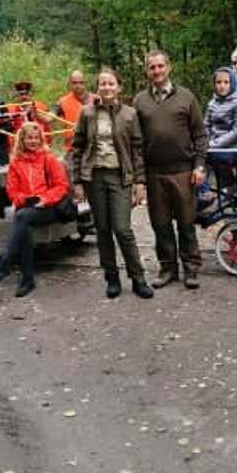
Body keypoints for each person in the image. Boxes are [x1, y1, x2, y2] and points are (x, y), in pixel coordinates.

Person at [70, 67, 154, 300]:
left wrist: (140, 181)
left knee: (122, 229)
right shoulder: (87, 114)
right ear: (97, 88)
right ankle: (112, 278)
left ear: (119, 87)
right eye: (102, 84)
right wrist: (76, 181)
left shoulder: (129, 114)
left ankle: (138, 278)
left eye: (110, 83)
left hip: (121, 177)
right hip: (94, 177)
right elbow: (77, 148)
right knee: (103, 230)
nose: (106, 87)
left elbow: (137, 149)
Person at [133, 50, 209, 289]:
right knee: (160, 224)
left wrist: (199, 165)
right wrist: (139, 179)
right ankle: (168, 269)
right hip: (154, 172)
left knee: (186, 223)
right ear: (147, 71)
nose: (156, 71)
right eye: (152, 67)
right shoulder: (139, 101)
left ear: (169, 67)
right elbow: (135, 143)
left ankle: (191, 269)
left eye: (160, 66)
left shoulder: (186, 97)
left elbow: (200, 135)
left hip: (183, 171)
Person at [0, 122, 71, 298]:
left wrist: (45, 199)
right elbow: (12, 191)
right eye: (29, 138)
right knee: (23, 221)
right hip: (27, 207)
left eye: (36, 138)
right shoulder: (16, 163)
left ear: (40, 139)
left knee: (21, 217)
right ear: (22, 140)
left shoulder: (48, 159)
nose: (33, 141)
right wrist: (25, 199)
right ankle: (27, 280)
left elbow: (61, 186)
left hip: (50, 207)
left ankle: (6, 263)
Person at [198, 66, 237, 208]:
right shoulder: (212, 104)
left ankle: (230, 186)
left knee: (217, 156)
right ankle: (203, 191)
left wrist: (214, 144)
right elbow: (206, 125)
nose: (222, 86)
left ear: (232, 83)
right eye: (218, 82)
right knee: (198, 155)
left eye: (226, 82)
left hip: (235, 144)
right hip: (214, 143)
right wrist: (205, 142)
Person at [53, 70, 96, 153]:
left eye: (81, 83)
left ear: (85, 83)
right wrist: (35, 112)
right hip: (72, 149)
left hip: (92, 148)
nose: (78, 85)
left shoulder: (96, 100)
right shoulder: (62, 102)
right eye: (75, 83)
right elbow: (48, 118)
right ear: (70, 84)